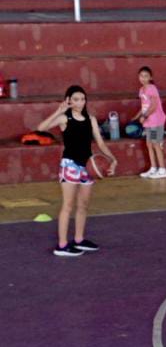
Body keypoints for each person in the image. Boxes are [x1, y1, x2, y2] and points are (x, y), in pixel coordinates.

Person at [37, 85, 117, 257]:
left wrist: (112, 159)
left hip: (87, 165)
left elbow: (101, 144)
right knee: (68, 205)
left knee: (83, 205)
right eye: (75, 99)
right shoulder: (64, 118)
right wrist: (58, 111)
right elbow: (41, 128)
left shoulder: (91, 119)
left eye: (82, 99)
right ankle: (62, 245)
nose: (80, 102)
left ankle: (79, 239)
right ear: (69, 101)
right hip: (70, 165)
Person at [131, 66, 166, 179]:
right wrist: (136, 117)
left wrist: (144, 116)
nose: (143, 78)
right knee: (149, 144)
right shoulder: (141, 90)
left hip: (155, 121)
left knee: (156, 144)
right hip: (148, 122)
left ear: (150, 77)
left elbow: (154, 105)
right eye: (141, 76)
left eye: (146, 76)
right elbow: (144, 106)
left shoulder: (151, 88)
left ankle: (162, 170)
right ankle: (153, 168)